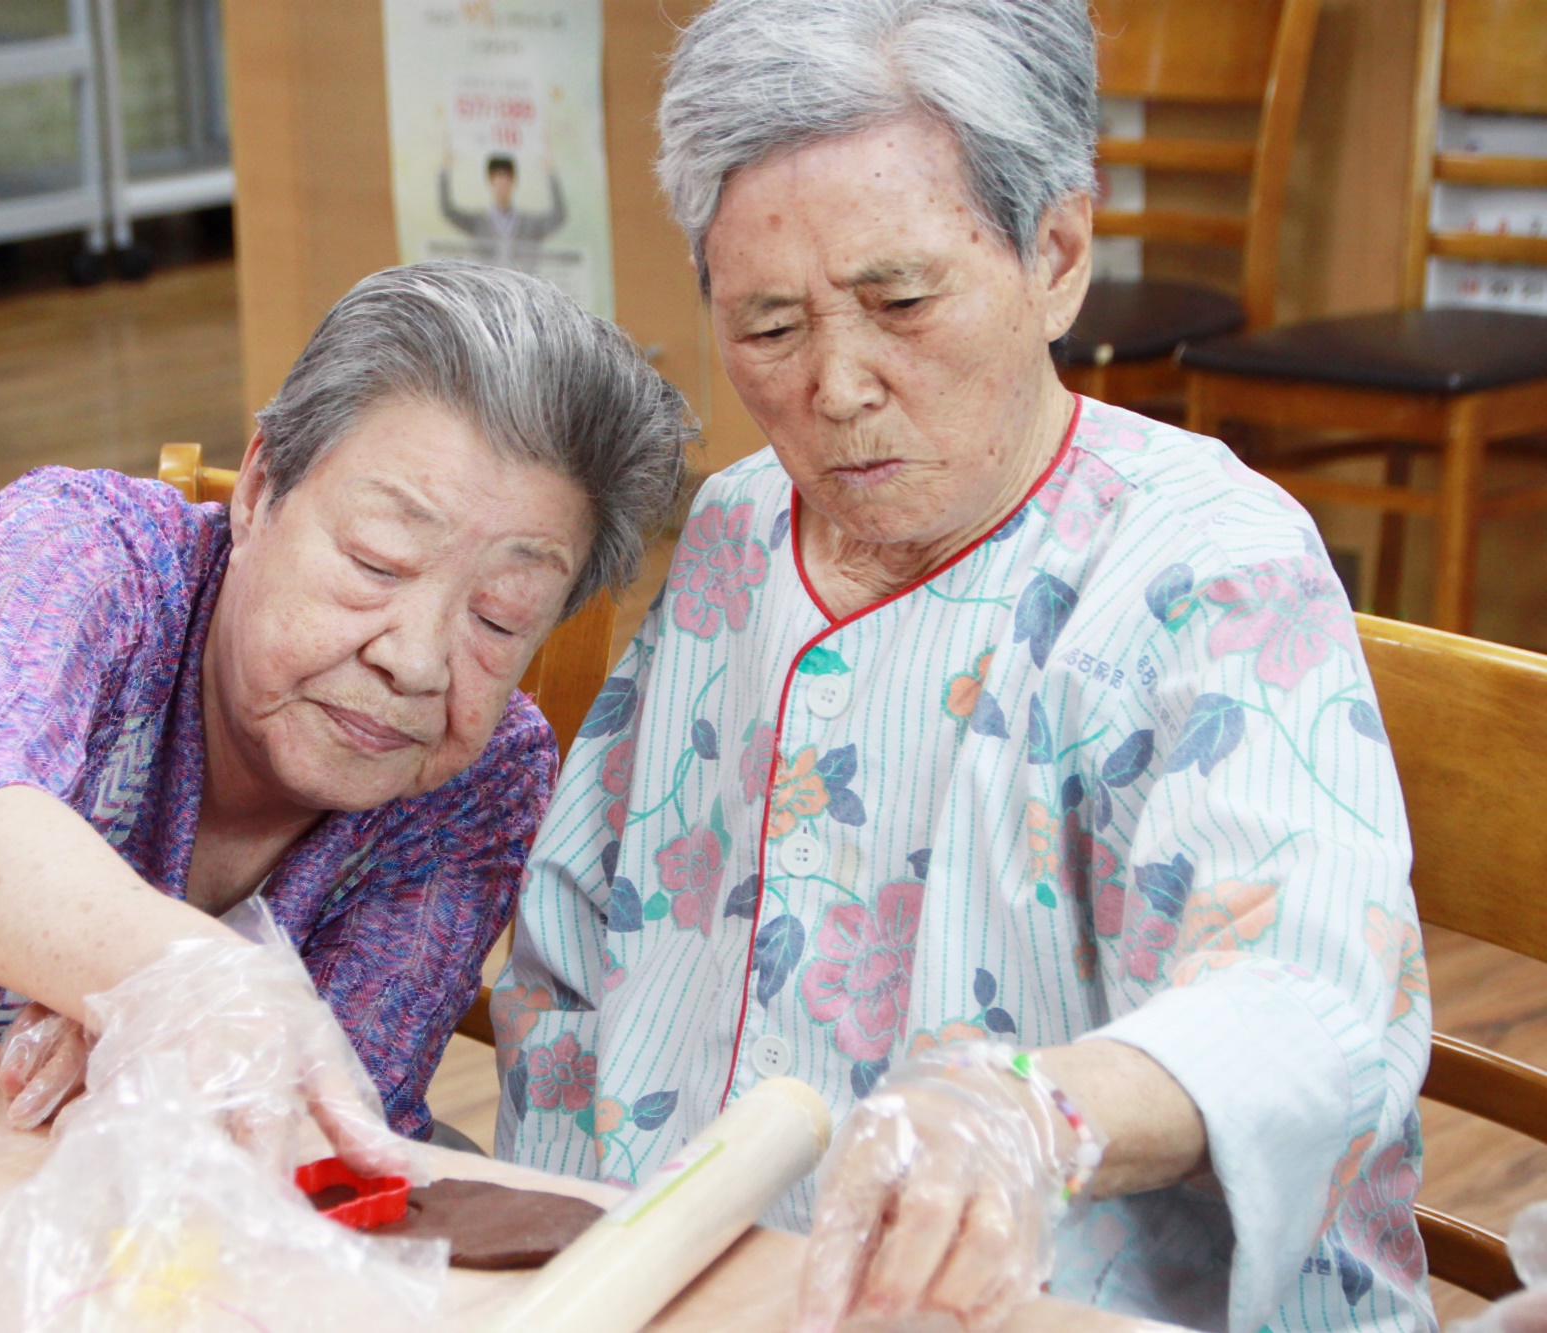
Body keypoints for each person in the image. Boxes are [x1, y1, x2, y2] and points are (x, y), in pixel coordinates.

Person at [490, 2, 1432, 1331]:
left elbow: (1298, 999)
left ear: (1056, 255)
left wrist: (1034, 1113)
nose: (837, 385)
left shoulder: (1207, 570)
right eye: (768, 326)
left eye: (899, 301)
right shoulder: (740, 527)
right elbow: (578, 942)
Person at [0, 261, 690, 1150]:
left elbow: (332, 1102)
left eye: (500, 618)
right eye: (377, 561)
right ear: (261, 489)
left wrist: (139, 1016)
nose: (415, 661)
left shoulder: (480, 774)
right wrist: (182, 983)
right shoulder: (74, 555)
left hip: (99, 1195)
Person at [439, 151, 568, 273]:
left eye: (506, 179)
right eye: (497, 179)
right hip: (488, 286)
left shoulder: (529, 225)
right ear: (490, 182)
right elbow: (449, 212)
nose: (501, 185)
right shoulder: (477, 223)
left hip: (522, 286)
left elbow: (558, 216)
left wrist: (551, 173)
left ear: (513, 182)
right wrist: (445, 171)